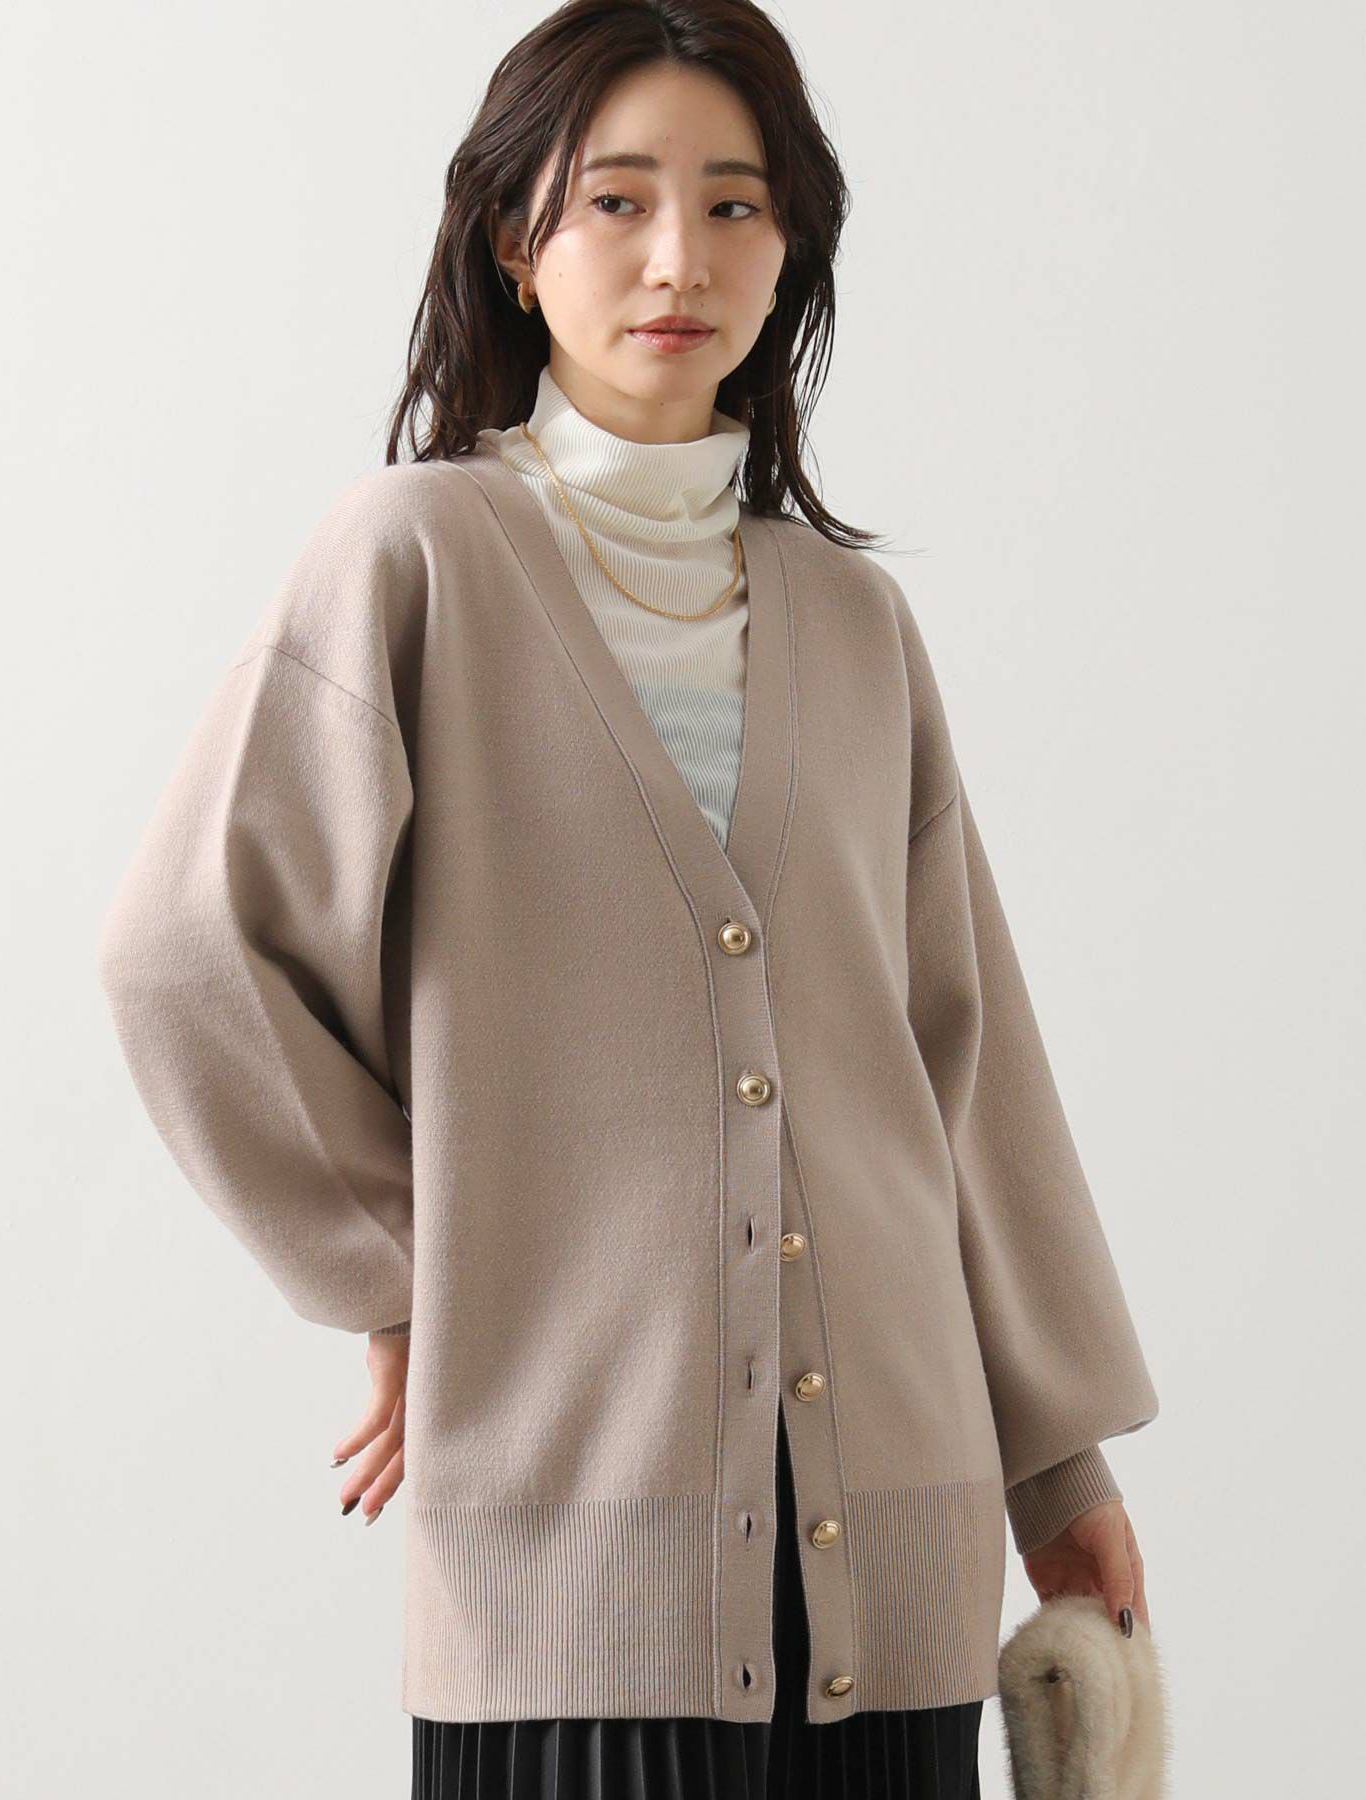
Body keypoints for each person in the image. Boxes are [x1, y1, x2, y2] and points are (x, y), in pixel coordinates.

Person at [97, 5, 1158, 1796]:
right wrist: (398, 1276)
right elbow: (186, 957)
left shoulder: (855, 623)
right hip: (570, 1567)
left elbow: (960, 1064)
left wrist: (1060, 1469)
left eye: (737, 205)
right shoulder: (412, 558)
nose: (681, 257)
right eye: (617, 200)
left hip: (900, 1549)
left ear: (791, 249)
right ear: (518, 243)